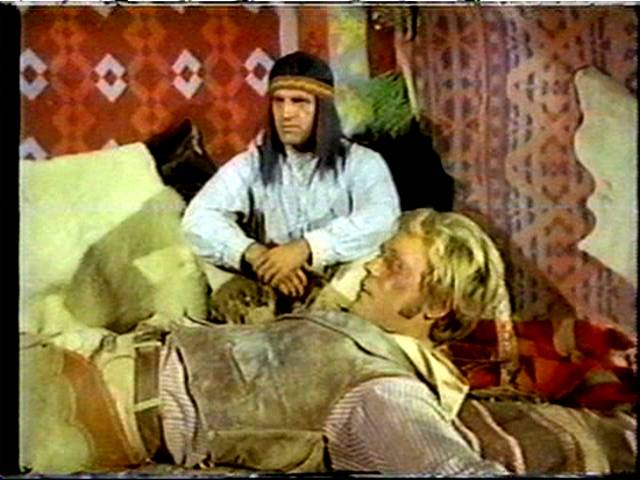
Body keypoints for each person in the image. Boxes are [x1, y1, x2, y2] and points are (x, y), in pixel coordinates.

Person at [20, 209, 510, 474]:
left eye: (393, 265)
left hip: (99, 405)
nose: (371, 269)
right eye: (381, 255)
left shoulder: (385, 388)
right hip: (104, 356)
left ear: (436, 304)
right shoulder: (358, 334)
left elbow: (451, 468)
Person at [182, 51, 400, 305]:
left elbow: (382, 217)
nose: (286, 113)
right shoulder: (252, 163)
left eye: (299, 101)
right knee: (196, 249)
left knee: (371, 256)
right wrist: (256, 255)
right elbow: (198, 217)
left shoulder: (363, 162)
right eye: (279, 101)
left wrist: (306, 248)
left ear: (322, 108)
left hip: (337, 288)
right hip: (273, 279)